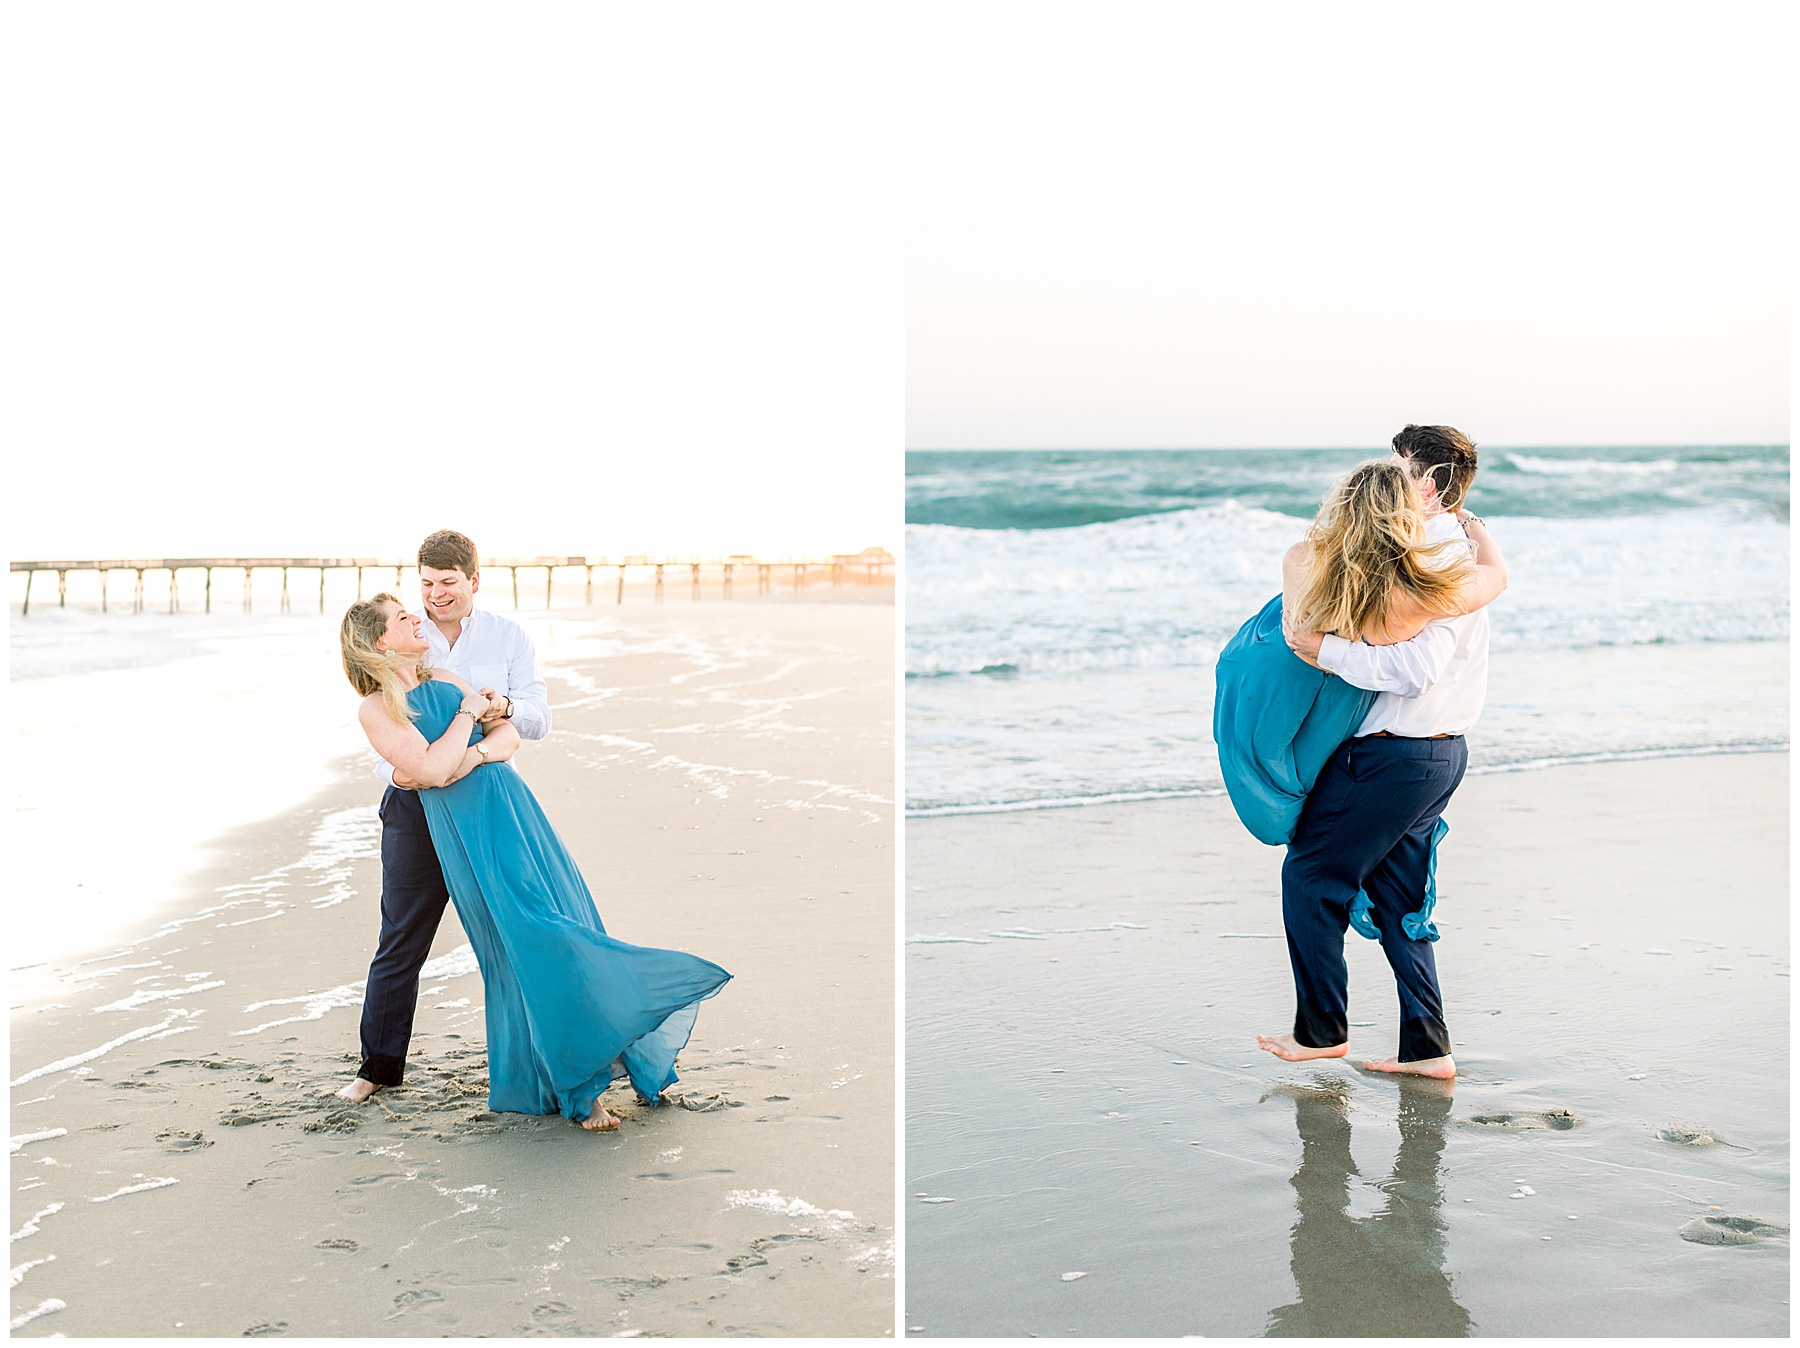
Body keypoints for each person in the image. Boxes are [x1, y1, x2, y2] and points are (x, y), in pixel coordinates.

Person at [335, 593, 731, 1130]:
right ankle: (380, 1067)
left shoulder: (449, 680)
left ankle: (586, 1079)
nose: (416, 615)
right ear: (380, 641)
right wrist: (466, 722)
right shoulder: (379, 708)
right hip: (441, 825)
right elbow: (427, 770)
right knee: (440, 941)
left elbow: (509, 735)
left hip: (508, 814)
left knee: (549, 927)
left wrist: (470, 751)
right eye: (402, 617)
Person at [1255, 425, 1506, 1080]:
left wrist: (1322, 651)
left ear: (1426, 484)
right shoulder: (1445, 546)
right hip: (1432, 755)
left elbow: (1416, 668)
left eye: (1398, 471)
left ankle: (1321, 1030)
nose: (1389, 483)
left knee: (1311, 876)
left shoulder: (1437, 558)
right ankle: (1427, 1048)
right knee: (1401, 905)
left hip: (1397, 757)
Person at [339, 530, 550, 1104]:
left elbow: (531, 719)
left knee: (518, 928)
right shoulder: (405, 639)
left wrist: (490, 722)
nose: (433, 597)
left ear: (473, 580)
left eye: (447, 584)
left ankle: (544, 1056)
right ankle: (378, 1067)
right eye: (425, 585)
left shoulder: (506, 637)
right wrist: (436, 760)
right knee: (402, 937)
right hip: (414, 809)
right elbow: (402, 749)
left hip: (485, 802)